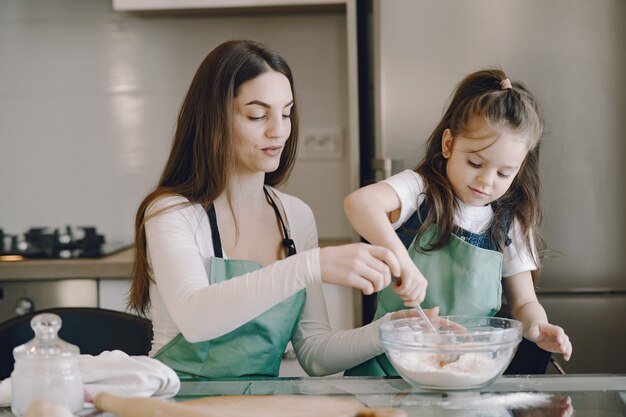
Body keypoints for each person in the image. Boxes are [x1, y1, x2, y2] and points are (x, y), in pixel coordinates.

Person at [127, 39, 426, 379]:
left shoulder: (294, 216)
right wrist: (312, 265)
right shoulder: (171, 212)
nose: (279, 131)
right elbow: (196, 320)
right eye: (257, 115)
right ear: (213, 120)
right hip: (178, 403)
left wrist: (390, 331)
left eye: (286, 113)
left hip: (261, 405)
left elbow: (315, 354)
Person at [343, 69, 572, 376]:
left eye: (504, 173)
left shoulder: (509, 224)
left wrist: (537, 327)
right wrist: (403, 263)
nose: (486, 181)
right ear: (448, 144)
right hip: (389, 370)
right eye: (475, 163)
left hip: (465, 373)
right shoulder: (418, 191)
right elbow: (359, 204)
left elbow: (524, 303)